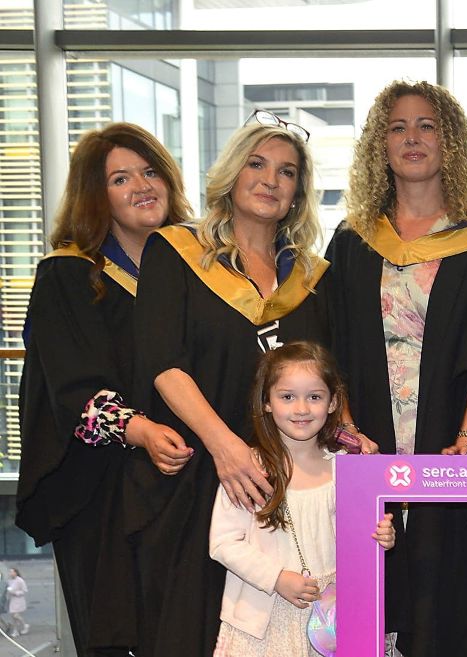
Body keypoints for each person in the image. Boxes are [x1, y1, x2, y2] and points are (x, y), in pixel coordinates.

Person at [127, 114, 346, 656]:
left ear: (299, 191)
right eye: (257, 163)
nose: (271, 179)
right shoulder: (176, 252)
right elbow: (162, 362)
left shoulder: (315, 278)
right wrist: (225, 448)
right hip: (201, 473)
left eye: (287, 171)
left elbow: (330, 378)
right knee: (193, 631)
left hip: (286, 490)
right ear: (231, 172)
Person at [325, 80, 467, 656]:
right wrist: (350, 434)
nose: (412, 137)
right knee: (369, 610)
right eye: (397, 127)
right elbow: (333, 351)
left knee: (450, 608)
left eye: (427, 126)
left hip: (449, 448)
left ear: (450, 142)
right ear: (379, 146)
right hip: (367, 445)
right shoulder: (353, 243)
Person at [16, 123, 193, 655]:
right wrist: (139, 430)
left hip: (182, 476)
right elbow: (71, 388)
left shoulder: (196, 270)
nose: (142, 185)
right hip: (101, 487)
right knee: (114, 633)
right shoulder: (67, 276)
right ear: (98, 195)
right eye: (120, 178)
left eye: (150, 170)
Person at [210, 341, 396, 656]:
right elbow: (223, 543)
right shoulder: (249, 468)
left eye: (314, 397)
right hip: (263, 623)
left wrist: (381, 538)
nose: (301, 409)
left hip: (333, 621)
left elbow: (358, 540)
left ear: (333, 402)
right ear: (266, 402)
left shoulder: (345, 468)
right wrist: (276, 578)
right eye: (287, 397)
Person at [5, 569, 28, 637]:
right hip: (12, 600)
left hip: (19, 600)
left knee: (16, 615)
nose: (10, 573)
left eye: (12, 572)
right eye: (10, 572)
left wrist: (16, 593)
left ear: (16, 573)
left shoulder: (20, 580)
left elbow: (24, 590)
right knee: (13, 617)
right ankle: (16, 631)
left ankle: (25, 625)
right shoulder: (10, 581)